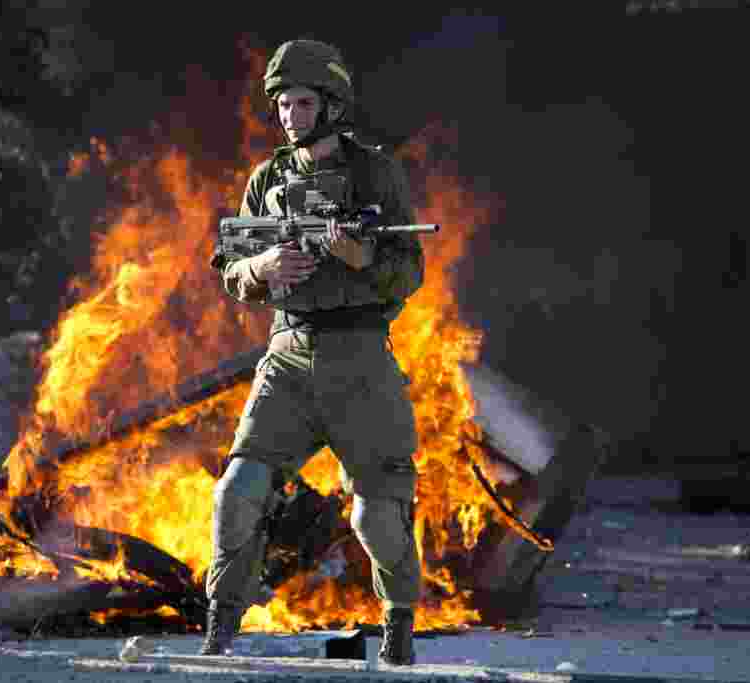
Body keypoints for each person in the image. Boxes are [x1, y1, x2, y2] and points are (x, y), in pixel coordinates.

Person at [204, 39, 426, 666]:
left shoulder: (375, 173)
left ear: (332, 105)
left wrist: (361, 258)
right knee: (236, 493)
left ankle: (399, 624)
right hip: (288, 355)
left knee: (377, 518)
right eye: (281, 104)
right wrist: (264, 266)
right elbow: (229, 267)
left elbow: (410, 270)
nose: (289, 116)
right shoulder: (268, 179)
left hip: (361, 361)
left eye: (302, 102)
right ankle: (221, 623)